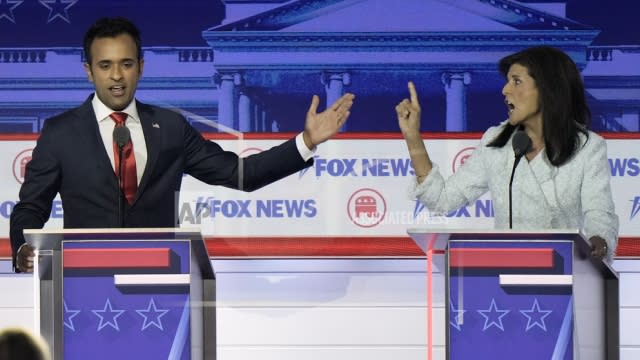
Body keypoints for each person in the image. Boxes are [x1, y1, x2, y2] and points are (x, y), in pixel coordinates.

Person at [10, 16, 355, 272]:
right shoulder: (60, 133)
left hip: (160, 281)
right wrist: (22, 245)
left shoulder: (170, 127)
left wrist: (306, 141)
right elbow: (30, 207)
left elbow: (241, 174)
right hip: (82, 281)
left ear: (141, 67)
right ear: (89, 71)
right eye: (105, 66)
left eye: (126, 64)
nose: (116, 76)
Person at [396, 46, 618, 259]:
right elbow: (441, 200)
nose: (505, 90)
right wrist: (413, 137)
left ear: (548, 88)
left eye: (517, 81)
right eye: (507, 81)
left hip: (564, 274)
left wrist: (599, 241)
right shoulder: (496, 142)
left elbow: (599, 213)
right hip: (504, 276)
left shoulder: (588, 147)